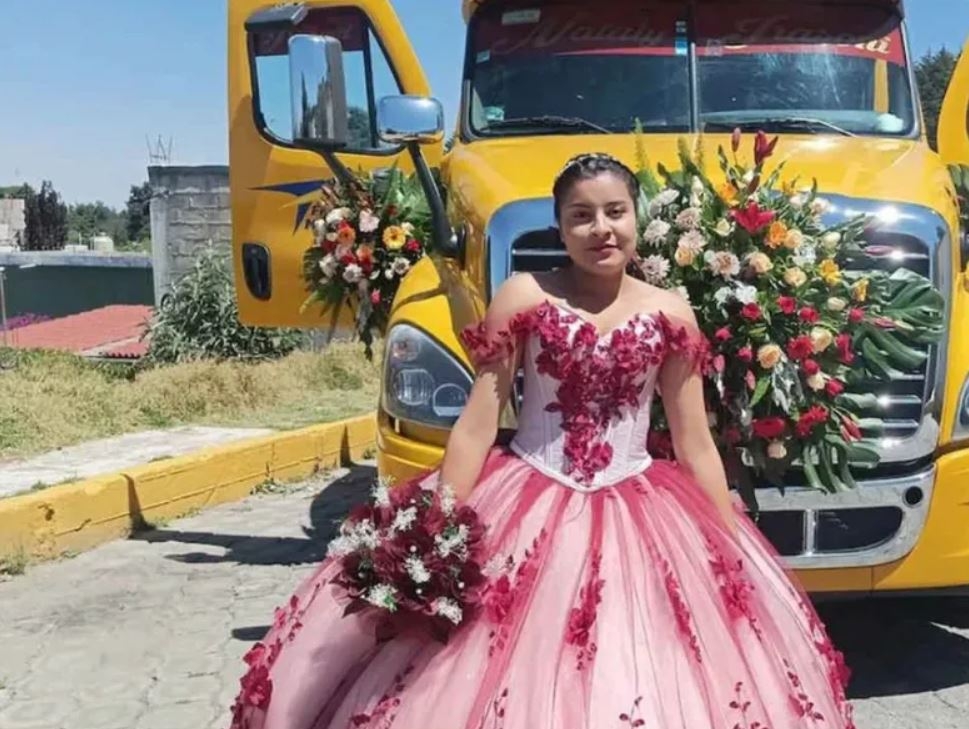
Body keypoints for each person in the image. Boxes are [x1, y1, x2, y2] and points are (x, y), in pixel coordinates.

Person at [228, 153, 855, 729]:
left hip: (642, 503)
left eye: (615, 212)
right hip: (526, 492)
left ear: (637, 219)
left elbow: (694, 442)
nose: (600, 229)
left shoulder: (670, 312)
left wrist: (725, 538)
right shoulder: (526, 296)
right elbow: (480, 416)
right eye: (581, 216)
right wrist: (440, 518)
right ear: (560, 227)